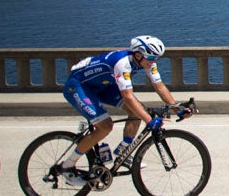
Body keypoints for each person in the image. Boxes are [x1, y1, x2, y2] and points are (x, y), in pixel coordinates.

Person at [59, 35, 187, 186]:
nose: (154, 62)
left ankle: (123, 152)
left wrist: (177, 109)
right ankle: (66, 167)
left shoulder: (146, 61)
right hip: (79, 86)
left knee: (137, 111)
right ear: (138, 55)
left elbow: (159, 86)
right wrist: (150, 120)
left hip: (104, 86)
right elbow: (127, 96)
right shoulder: (122, 63)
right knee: (106, 126)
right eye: (151, 57)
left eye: (157, 58)